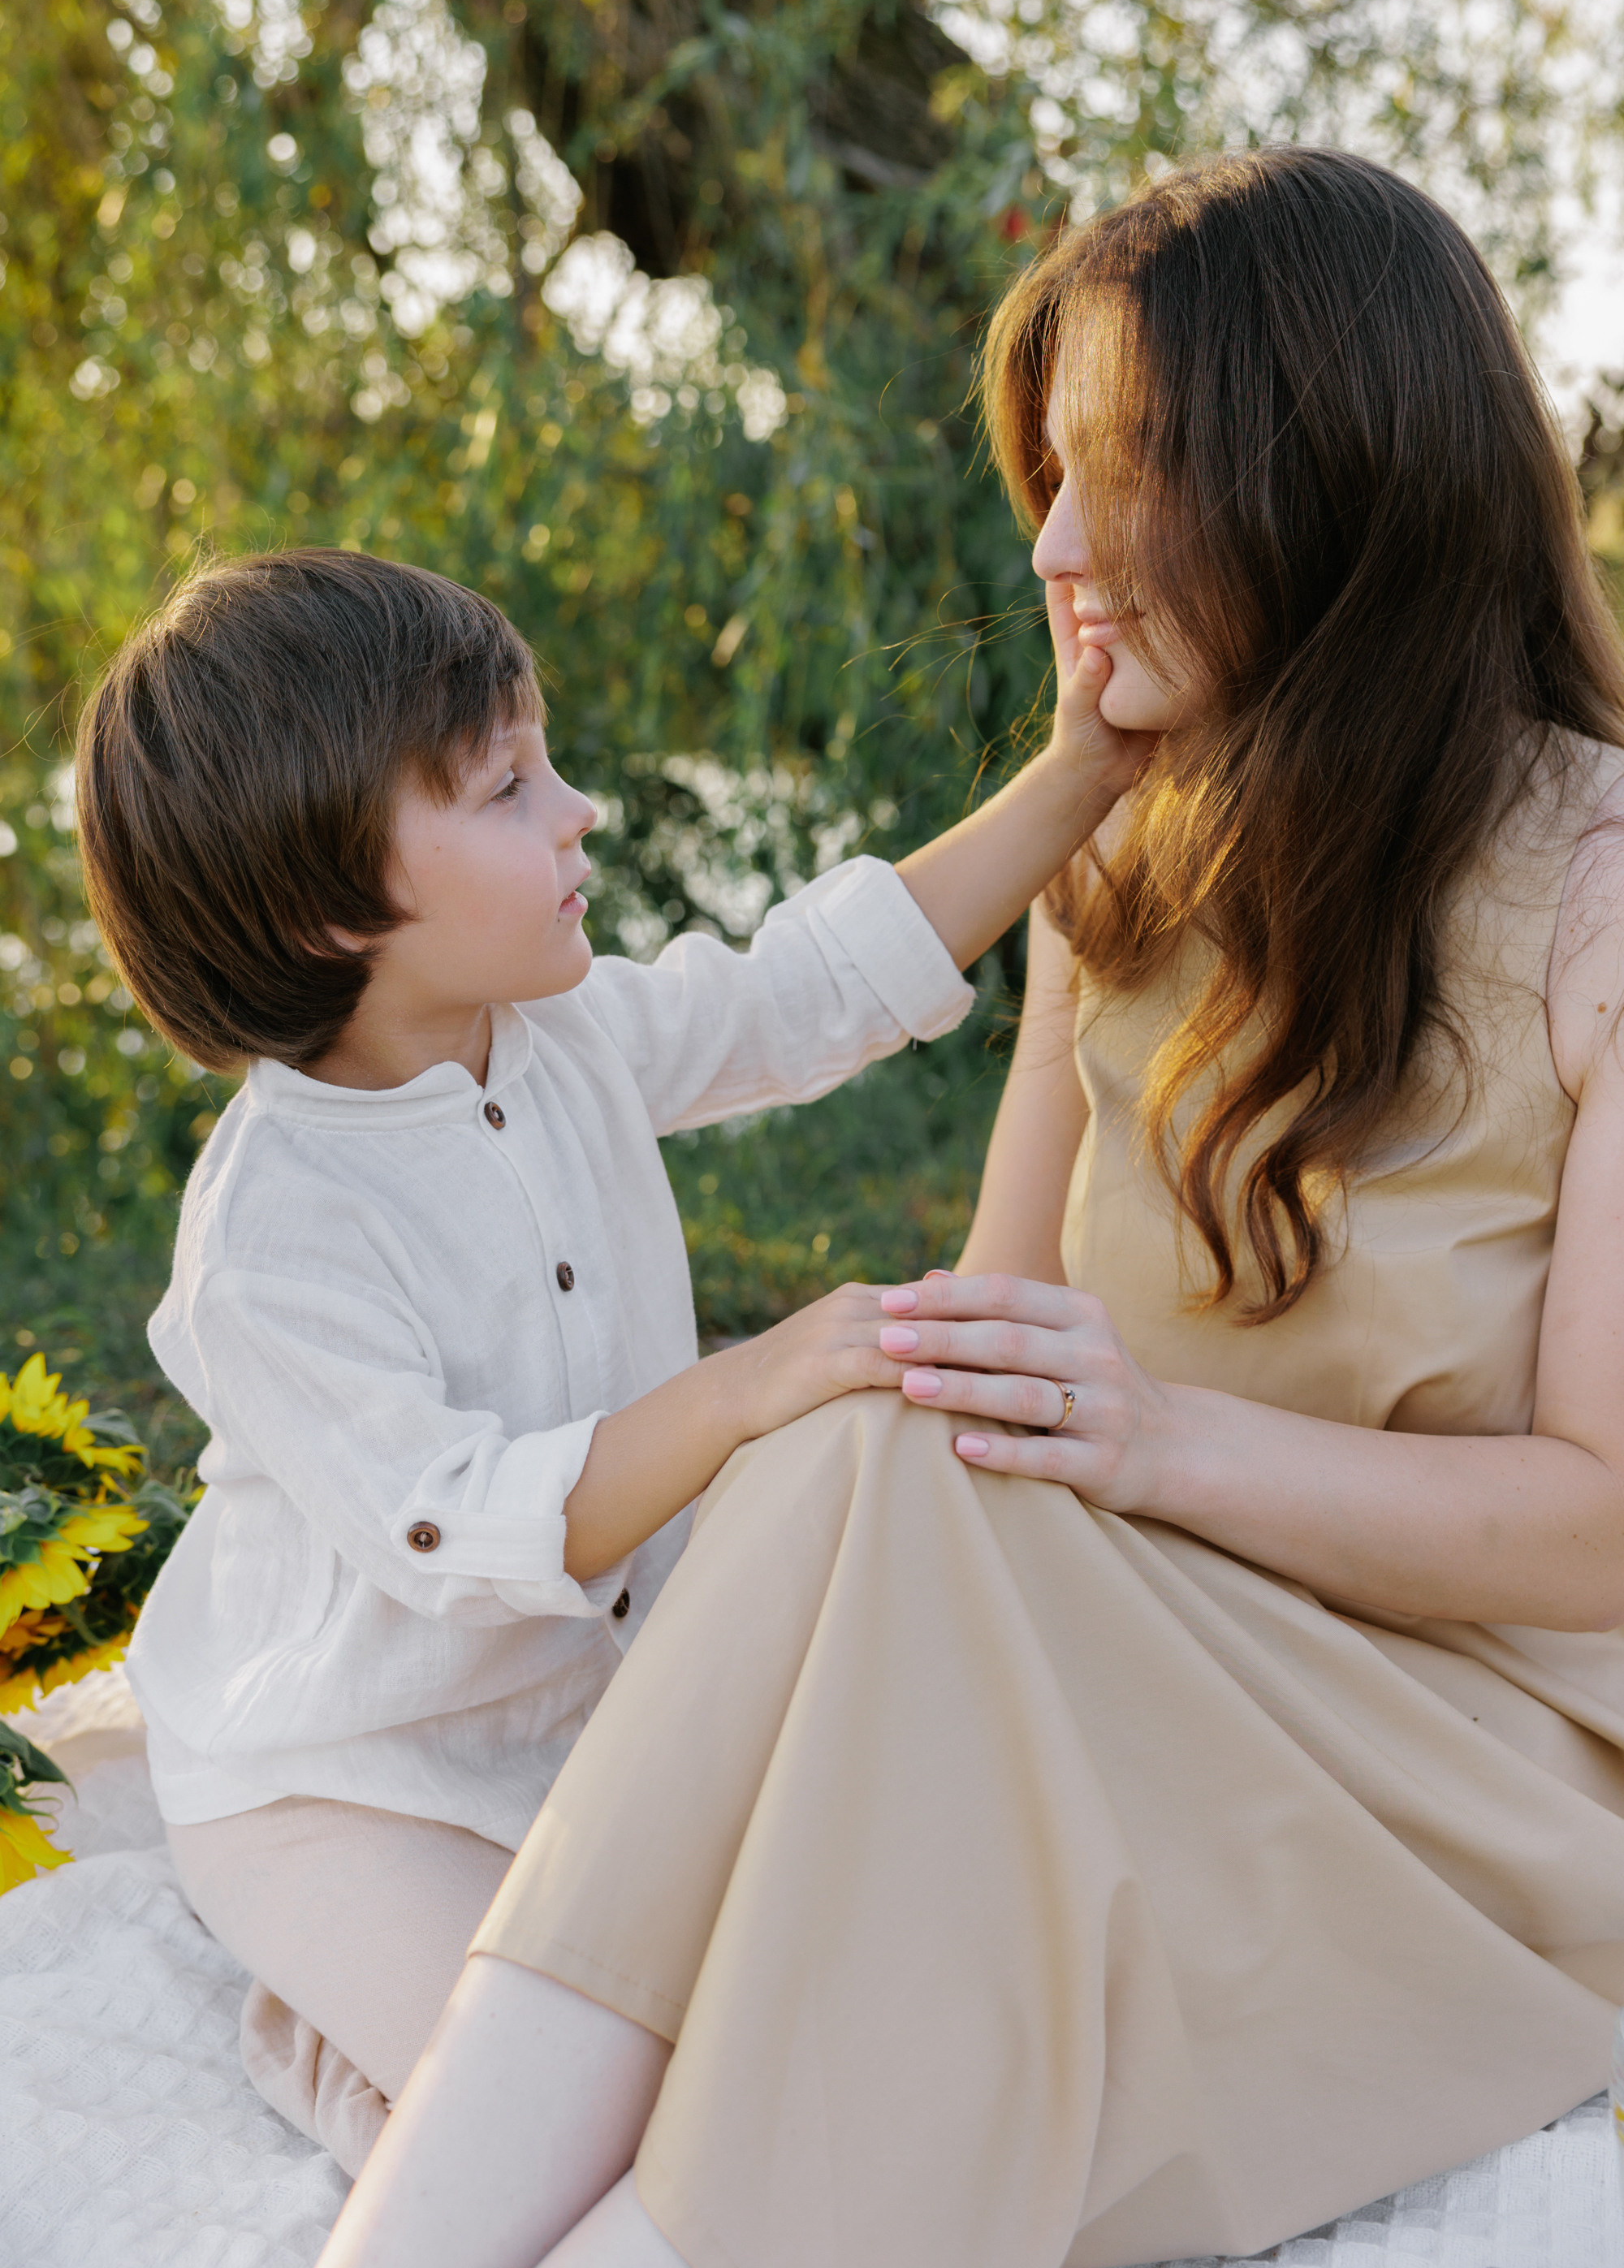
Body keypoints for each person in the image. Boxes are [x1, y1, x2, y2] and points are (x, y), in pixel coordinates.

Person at [320, 145, 1624, 2268]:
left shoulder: (1601, 890)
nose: (1052, 541)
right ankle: (452, 2230)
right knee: (861, 1413)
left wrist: (1156, 1436)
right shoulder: (1122, 871)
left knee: (877, 1434)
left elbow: (1604, 1525)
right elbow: (981, 1374)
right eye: (1050, 473)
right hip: (1122, 1670)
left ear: (1332, 478)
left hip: (1456, 1778)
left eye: (1118, 472)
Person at [71, 546, 1126, 2171]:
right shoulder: (273, 1235)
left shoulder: (560, 1035)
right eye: (508, 787)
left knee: (787, 2019)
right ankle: (329, 2032)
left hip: (576, 1725)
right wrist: (738, 1386)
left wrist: (1082, 770)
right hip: (341, 1774)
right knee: (571, 2112)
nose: (578, 812)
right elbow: (453, 1525)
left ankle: (402, 2013)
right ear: (324, 903)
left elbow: (804, 993)